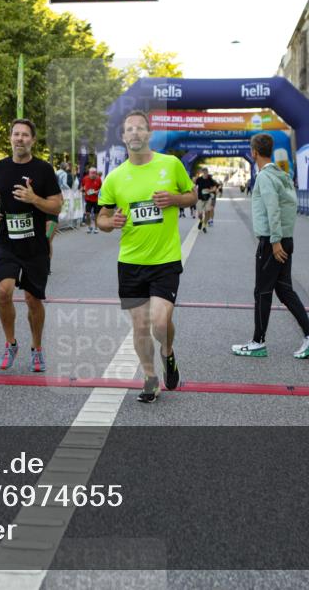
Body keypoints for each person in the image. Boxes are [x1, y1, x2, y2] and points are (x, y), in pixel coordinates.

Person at [97, 111, 197, 404]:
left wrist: (174, 199)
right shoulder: (114, 178)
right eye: (130, 129)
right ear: (123, 137)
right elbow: (101, 218)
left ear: (149, 134)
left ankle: (168, 352)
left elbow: (192, 196)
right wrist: (111, 222)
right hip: (130, 262)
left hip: (165, 260)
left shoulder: (171, 164)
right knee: (140, 326)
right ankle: (150, 377)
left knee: (160, 323)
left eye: (140, 128)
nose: (135, 133)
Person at [232, 133, 309, 360]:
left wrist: (274, 241)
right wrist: (283, 238)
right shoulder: (282, 175)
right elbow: (289, 207)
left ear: (254, 152)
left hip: (272, 242)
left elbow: (272, 208)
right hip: (286, 238)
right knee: (284, 290)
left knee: (262, 292)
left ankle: (258, 342)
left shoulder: (265, 177)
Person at [0, 118, 63, 372]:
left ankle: (37, 347)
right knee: (3, 291)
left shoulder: (43, 170)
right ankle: (10, 343)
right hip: (7, 242)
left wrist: (34, 199)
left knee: (32, 299)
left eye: (25, 135)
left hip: (35, 245)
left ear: (33, 140)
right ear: (10, 138)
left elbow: (57, 206)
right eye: (16, 134)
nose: (20, 138)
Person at [195, 167, 216, 233]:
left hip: (208, 198)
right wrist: (194, 192)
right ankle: (201, 221)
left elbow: (215, 187)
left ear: (207, 172)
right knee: (200, 214)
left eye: (206, 172)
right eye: (204, 172)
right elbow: (194, 186)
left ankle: (204, 225)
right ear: (202, 173)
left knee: (207, 211)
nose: (205, 173)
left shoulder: (210, 179)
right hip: (200, 198)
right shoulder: (199, 179)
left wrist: (210, 190)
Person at [81, 166, 102, 233]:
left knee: (96, 214)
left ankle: (96, 228)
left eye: (94, 173)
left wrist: (97, 191)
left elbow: (102, 188)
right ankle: (89, 226)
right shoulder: (85, 178)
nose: (93, 175)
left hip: (96, 199)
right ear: (89, 173)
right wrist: (83, 190)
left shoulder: (98, 179)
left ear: (96, 173)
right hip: (88, 199)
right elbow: (82, 186)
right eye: (91, 173)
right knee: (87, 214)